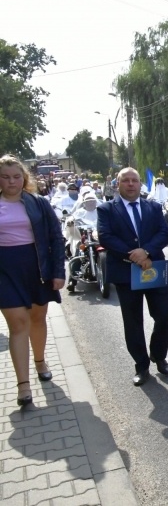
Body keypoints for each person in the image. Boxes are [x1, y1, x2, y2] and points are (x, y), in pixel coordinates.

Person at [97, 167, 168, 387]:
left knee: (164, 315)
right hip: (125, 272)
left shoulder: (153, 207)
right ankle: (141, 366)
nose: (131, 184)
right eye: (126, 181)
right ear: (118, 184)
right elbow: (106, 236)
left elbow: (163, 232)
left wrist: (146, 251)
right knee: (133, 322)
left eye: (134, 180)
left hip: (153, 270)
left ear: (140, 184)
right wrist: (135, 256)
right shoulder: (106, 209)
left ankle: (158, 355)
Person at [0, 155, 65, 407]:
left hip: (37, 266)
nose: (11, 182)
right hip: (5, 271)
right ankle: (23, 386)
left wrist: (58, 271)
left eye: (16, 176)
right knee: (18, 325)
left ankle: (40, 361)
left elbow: (56, 237)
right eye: (5, 177)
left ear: (24, 178)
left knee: (37, 318)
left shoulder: (38, 203)